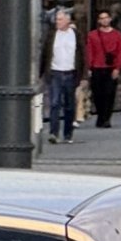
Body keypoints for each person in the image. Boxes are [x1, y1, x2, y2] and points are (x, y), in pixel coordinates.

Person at [40, 10, 85, 144]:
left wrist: (84, 76)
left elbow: (82, 55)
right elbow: (45, 54)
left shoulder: (76, 35)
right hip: (55, 73)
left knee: (69, 105)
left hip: (71, 73)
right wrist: (40, 73)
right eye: (57, 19)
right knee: (54, 103)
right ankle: (53, 133)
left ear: (67, 21)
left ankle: (68, 133)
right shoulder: (52, 35)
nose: (57, 22)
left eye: (60, 20)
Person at [85, 9, 121, 128]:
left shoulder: (117, 35)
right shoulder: (92, 35)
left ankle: (106, 118)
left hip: (111, 68)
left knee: (109, 93)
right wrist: (89, 67)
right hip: (97, 67)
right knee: (97, 94)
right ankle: (100, 115)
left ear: (110, 19)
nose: (104, 20)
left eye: (106, 17)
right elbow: (89, 51)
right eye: (101, 18)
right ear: (98, 20)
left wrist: (118, 68)